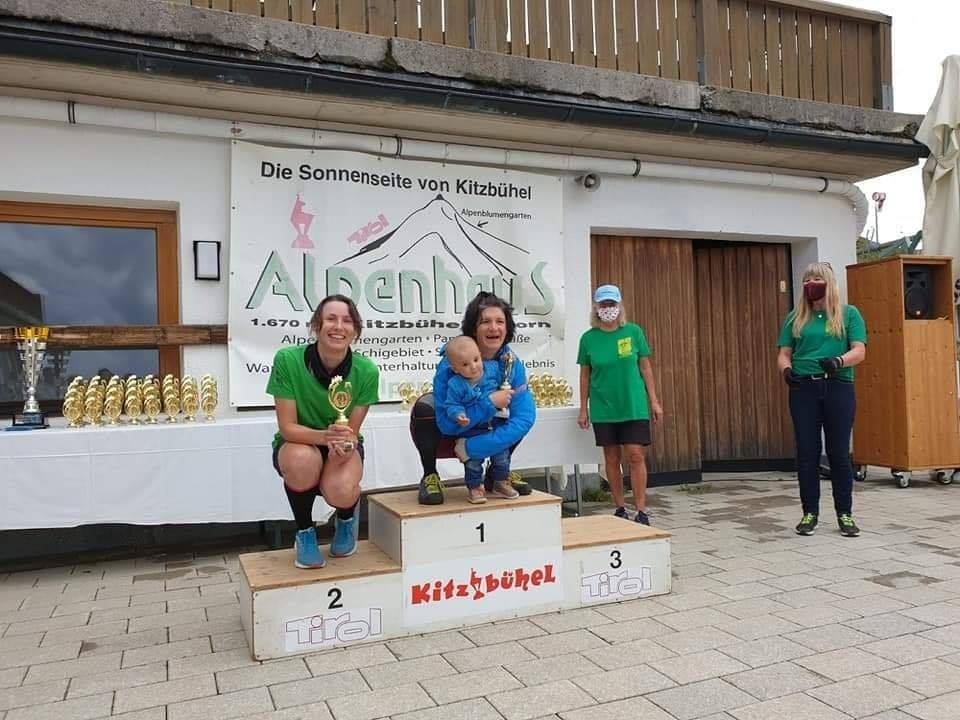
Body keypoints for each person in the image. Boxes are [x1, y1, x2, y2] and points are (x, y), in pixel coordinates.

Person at [266, 294, 380, 568]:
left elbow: (351, 431)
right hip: (299, 442)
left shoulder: (366, 371)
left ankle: (345, 520)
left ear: (355, 330)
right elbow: (287, 427)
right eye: (331, 319)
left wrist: (343, 447)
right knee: (301, 461)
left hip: (341, 443)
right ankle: (305, 532)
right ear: (317, 325)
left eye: (347, 321)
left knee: (341, 489)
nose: (338, 326)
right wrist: (323, 437)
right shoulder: (287, 360)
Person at [416, 291, 536, 505]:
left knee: (514, 418)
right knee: (424, 408)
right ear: (473, 328)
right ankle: (430, 475)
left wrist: (472, 448)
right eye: (485, 322)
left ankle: (498, 475)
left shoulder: (511, 362)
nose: (494, 328)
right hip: (459, 429)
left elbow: (525, 417)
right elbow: (447, 425)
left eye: (500, 321)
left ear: (507, 327)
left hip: (476, 438)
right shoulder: (449, 365)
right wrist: (489, 404)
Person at [777, 262, 866, 538]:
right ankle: (809, 513)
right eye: (807, 279)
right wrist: (786, 371)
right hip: (803, 388)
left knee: (838, 453)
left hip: (838, 385)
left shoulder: (849, 314)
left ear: (828, 282)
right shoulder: (795, 318)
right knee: (807, 452)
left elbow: (859, 350)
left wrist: (839, 361)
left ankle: (845, 514)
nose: (810, 284)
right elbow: (784, 353)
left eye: (816, 278)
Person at [577, 284, 663, 525]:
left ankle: (641, 509)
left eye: (612, 304)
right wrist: (583, 408)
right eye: (603, 304)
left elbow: (645, 368)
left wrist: (654, 401)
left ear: (619, 306)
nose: (608, 308)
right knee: (612, 458)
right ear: (596, 308)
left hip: (633, 405)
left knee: (635, 455)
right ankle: (620, 507)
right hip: (604, 407)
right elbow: (585, 375)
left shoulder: (633, 332)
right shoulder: (588, 339)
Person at [441, 335, 514, 504]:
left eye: (476, 360)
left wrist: (505, 361)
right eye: (465, 365)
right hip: (473, 428)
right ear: (455, 369)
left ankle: (500, 482)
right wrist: (458, 414)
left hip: (496, 423)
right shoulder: (455, 384)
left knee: (502, 455)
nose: (473, 367)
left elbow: (505, 374)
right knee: (473, 462)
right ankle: (474, 488)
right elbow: (451, 404)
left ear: (481, 356)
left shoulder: (492, 369)